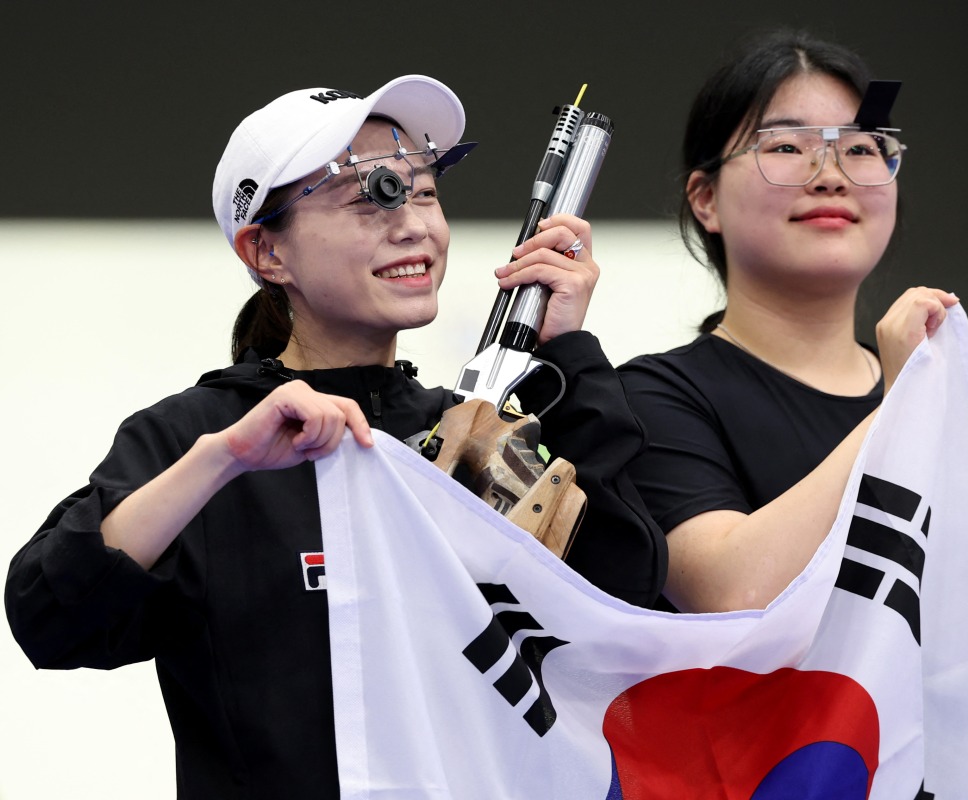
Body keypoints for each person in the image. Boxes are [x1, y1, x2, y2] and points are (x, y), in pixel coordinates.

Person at [5, 75, 666, 798]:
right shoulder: (199, 437)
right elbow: (50, 618)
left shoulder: (467, 429)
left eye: (424, 191)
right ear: (267, 253)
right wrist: (223, 459)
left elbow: (628, 605)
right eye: (372, 196)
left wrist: (569, 351)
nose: (416, 224)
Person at [618, 29, 968, 711]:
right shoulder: (653, 397)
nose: (832, 174)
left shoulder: (964, 407)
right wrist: (901, 406)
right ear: (704, 199)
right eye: (787, 147)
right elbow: (737, 595)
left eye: (861, 148)